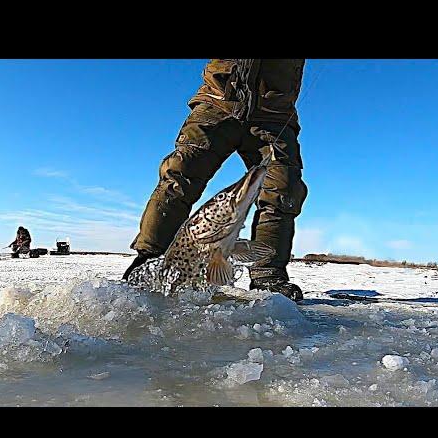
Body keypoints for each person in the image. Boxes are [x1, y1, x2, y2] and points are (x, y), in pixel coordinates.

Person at [123, 59, 308, 301]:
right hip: (216, 102)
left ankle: (267, 275)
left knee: (283, 188)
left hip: (274, 115)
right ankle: (149, 259)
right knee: (180, 174)